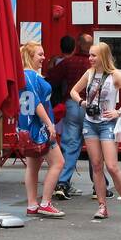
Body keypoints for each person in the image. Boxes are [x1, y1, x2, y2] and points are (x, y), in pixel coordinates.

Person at [69, 42, 121, 221]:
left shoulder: (114, 75)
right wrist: (82, 102)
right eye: (90, 55)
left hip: (108, 123)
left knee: (112, 166)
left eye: (94, 55)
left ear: (103, 56)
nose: (90, 59)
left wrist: (119, 111)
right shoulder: (89, 73)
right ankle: (102, 206)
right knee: (96, 165)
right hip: (90, 122)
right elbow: (73, 91)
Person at [19, 42, 64, 217]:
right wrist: (49, 123)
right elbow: (36, 102)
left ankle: (32, 204)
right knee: (58, 162)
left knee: (32, 166)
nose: (43, 58)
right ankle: (46, 202)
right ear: (30, 57)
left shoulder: (23, 76)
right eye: (40, 54)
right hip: (39, 128)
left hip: (27, 126)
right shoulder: (30, 75)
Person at [47, 34, 92, 200]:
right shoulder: (94, 64)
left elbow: (51, 79)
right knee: (95, 147)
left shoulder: (68, 62)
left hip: (72, 105)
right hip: (91, 107)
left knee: (69, 144)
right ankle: (100, 187)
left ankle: (63, 182)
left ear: (77, 45)